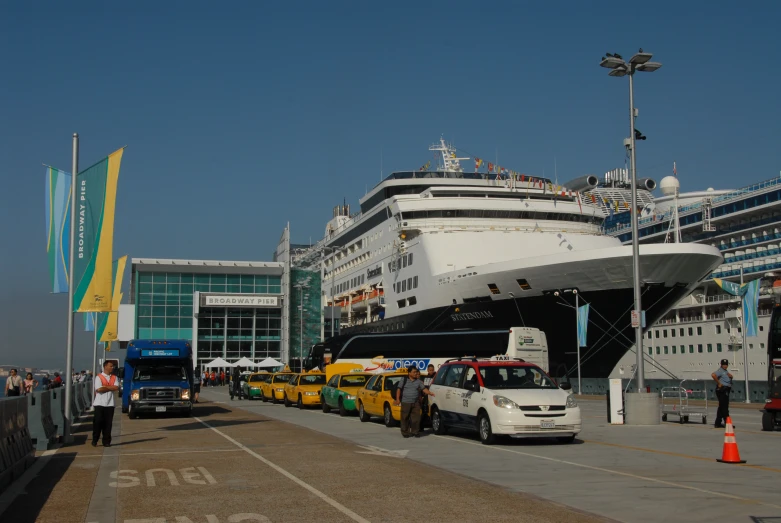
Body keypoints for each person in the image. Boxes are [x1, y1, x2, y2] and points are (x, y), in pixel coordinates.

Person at [394, 367, 434, 438]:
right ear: (409, 373)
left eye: (416, 372)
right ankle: (405, 432)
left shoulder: (418, 381)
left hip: (416, 403)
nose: (416, 373)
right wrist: (397, 399)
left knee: (416, 418)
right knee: (405, 418)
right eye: (414, 372)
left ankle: (415, 432)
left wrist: (430, 393)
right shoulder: (404, 380)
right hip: (406, 402)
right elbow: (398, 390)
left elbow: (424, 389)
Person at [92, 360, 119, 447]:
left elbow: (116, 387)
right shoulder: (99, 377)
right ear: (105, 367)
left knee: (108, 424)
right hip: (99, 404)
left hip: (110, 404)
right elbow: (98, 389)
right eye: (110, 366)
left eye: (113, 366)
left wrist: (105, 387)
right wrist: (110, 387)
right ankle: (95, 439)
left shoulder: (114, 377)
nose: (112, 368)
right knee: (98, 422)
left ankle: (106, 441)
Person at [712, 358, 733, 429]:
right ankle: (727, 423)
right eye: (723, 364)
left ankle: (718, 423)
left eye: (726, 364)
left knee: (721, 407)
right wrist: (719, 383)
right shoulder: (720, 371)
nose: (725, 366)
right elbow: (713, 375)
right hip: (722, 390)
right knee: (724, 407)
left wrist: (731, 376)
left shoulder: (725, 371)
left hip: (726, 390)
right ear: (721, 365)